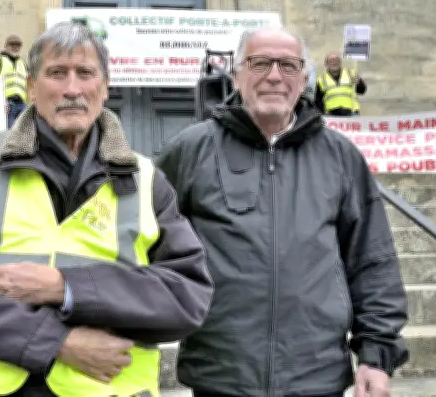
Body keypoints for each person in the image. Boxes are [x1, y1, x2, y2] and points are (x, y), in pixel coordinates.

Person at [0, 21, 214, 397]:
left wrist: (66, 288)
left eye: (85, 73)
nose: (72, 89)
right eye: (56, 73)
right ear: (31, 87)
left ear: (105, 87)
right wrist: (56, 342)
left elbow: (186, 296)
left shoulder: (147, 179)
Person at [156, 28, 409, 397]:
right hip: (221, 375)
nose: (274, 76)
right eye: (260, 63)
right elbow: (146, 245)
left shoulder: (340, 157)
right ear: (237, 76)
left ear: (304, 79)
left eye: (288, 66)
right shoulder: (191, 150)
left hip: (316, 375)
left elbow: (372, 260)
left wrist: (376, 355)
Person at [0, 34, 28, 128]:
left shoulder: (23, 64)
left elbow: (29, 85)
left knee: (25, 133)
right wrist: (0, 102)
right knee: (9, 133)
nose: (15, 48)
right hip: (6, 105)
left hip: (22, 105)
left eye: (18, 46)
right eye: (12, 45)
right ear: (6, 46)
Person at [314, 52, 367, 116]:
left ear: (340, 62)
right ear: (326, 64)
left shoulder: (351, 73)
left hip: (352, 112)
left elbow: (362, 91)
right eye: (331, 61)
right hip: (331, 114)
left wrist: (359, 83)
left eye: (336, 60)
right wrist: (323, 114)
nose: (334, 62)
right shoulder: (321, 79)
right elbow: (318, 100)